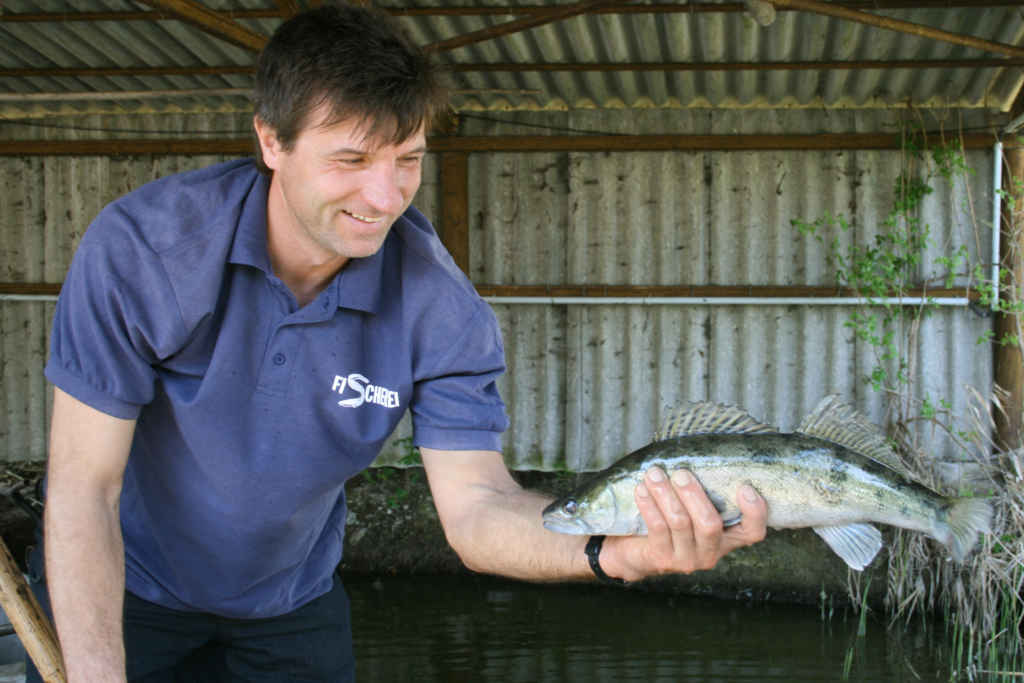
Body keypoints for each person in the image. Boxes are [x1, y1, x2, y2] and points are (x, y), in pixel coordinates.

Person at [30, 4, 768, 681]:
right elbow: (83, 489)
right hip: (123, 583)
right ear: (270, 141)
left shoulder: (438, 307)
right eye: (351, 160)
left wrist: (611, 554)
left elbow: (478, 508)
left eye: (407, 158)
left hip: (291, 603)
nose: (385, 197)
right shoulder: (145, 252)